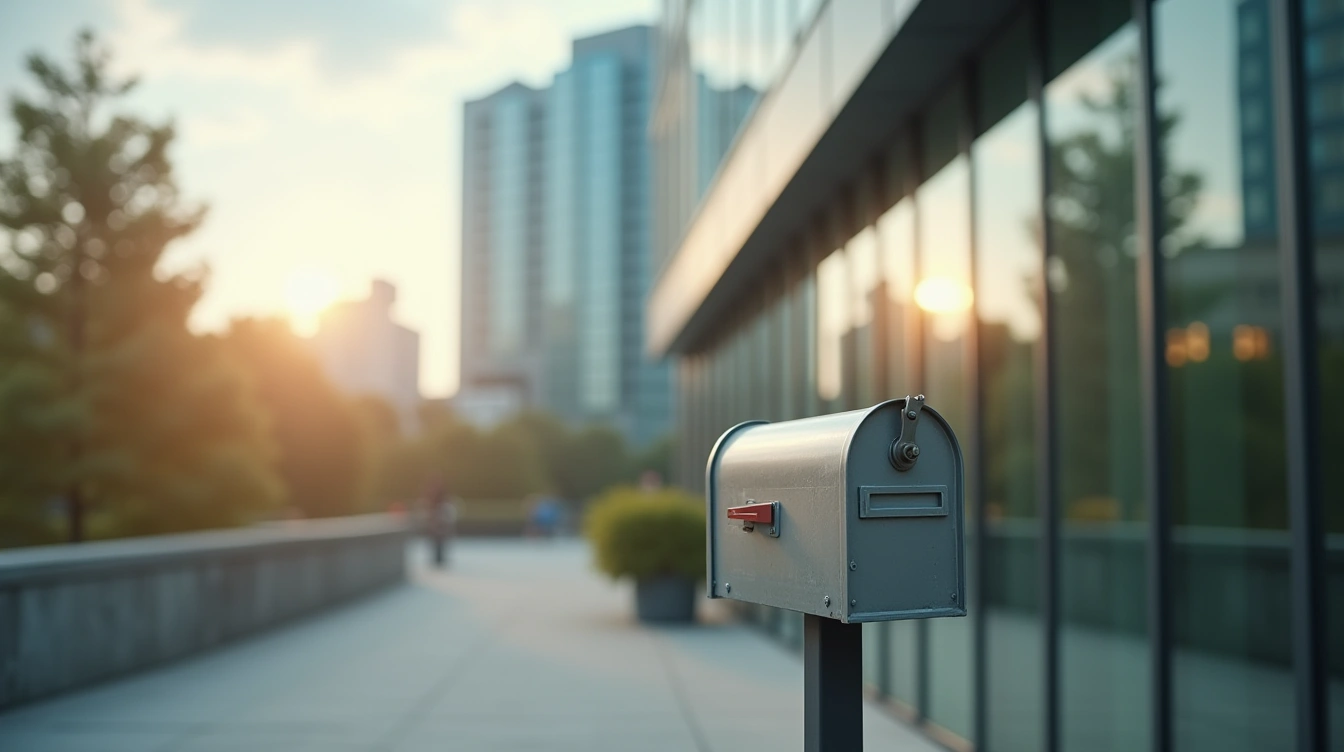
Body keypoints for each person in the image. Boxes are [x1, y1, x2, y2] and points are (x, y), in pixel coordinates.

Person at [424, 475, 454, 567]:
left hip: (439, 519)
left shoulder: (440, 492)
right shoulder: (433, 493)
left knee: (440, 538)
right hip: (436, 519)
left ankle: (439, 558)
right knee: (436, 538)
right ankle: (437, 558)